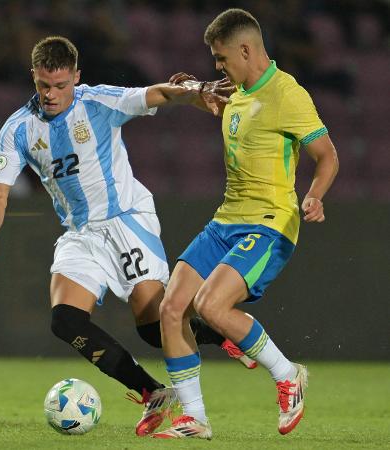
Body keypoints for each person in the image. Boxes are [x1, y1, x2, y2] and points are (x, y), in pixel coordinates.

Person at [0, 35, 255, 437]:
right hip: (80, 234)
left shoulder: (98, 101)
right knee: (65, 320)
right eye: (44, 85)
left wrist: (197, 89)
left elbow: (155, 94)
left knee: (153, 329)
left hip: (126, 220)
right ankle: (152, 392)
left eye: (61, 85)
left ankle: (221, 330)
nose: (52, 95)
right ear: (34, 77)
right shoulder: (18, 129)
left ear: (76, 77)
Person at [149, 9, 339, 439]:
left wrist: (314, 195)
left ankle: (288, 374)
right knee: (172, 307)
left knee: (211, 306)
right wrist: (193, 88)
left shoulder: (287, 94)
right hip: (225, 219)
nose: (218, 67)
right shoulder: (232, 90)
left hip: (270, 222)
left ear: (246, 50)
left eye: (221, 58)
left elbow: (327, 156)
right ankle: (194, 418)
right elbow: (201, 94)